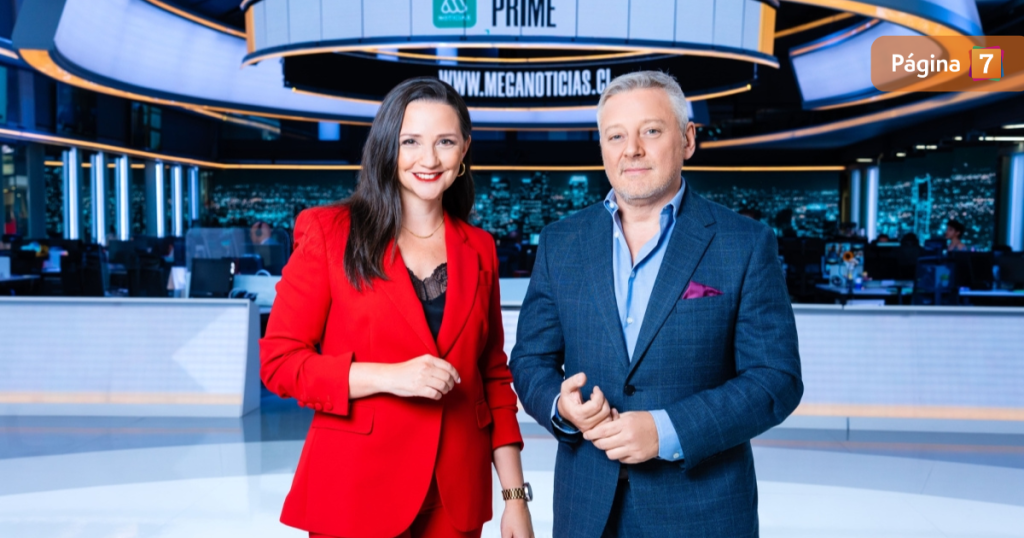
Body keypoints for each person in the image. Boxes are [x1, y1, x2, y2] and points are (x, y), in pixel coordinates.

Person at [509, 71, 803, 537]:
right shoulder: (561, 242)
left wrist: (666, 430)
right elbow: (529, 360)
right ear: (602, 147)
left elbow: (776, 379)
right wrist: (561, 408)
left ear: (687, 139)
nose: (632, 149)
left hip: (702, 513)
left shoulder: (744, 243)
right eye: (616, 136)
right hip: (586, 510)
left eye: (650, 130)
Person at [261, 78, 534, 538]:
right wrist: (390, 377)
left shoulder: (480, 249)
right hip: (356, 489)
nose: (429, 159)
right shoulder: (330, 233)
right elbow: (279, 363)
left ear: (464, 149)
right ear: (388, 146)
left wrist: (515, 498)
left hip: (455, 495)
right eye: (411, 142)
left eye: (445, 142)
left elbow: (492, 376)